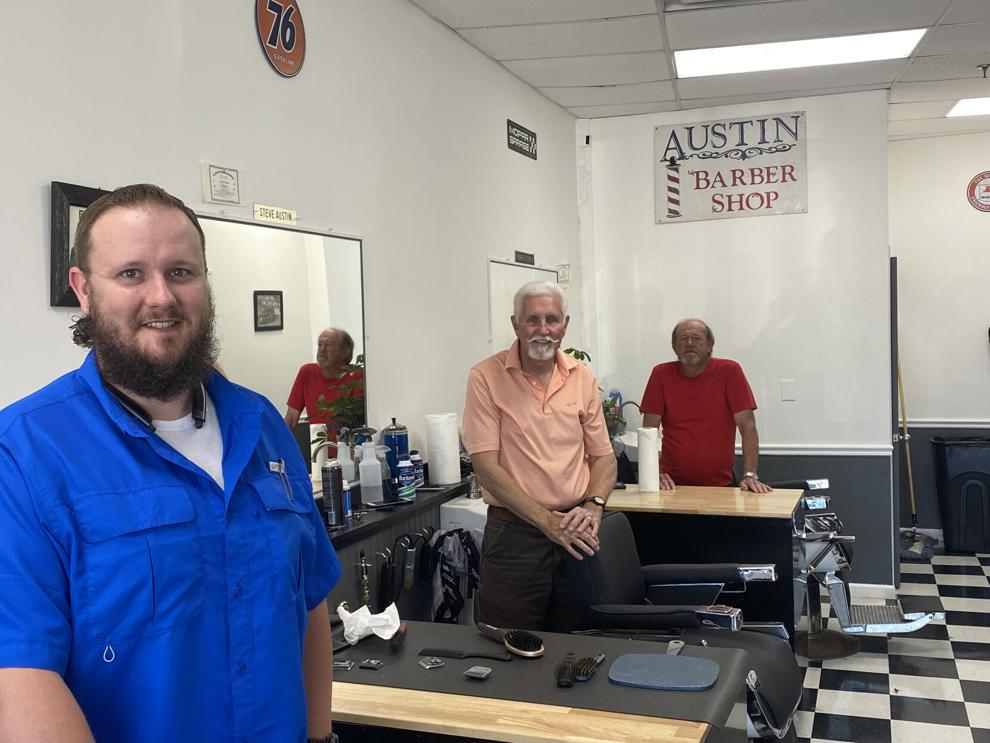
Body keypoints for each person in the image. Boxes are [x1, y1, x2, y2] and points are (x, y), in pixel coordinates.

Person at [0, 184, 342, 743]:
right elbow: (21, 674)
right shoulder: (24, 454)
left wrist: (320, 736)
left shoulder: (262, 429)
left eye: (181, 272)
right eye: (130, 274)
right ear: (83, 291)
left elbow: (308, 606)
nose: (161, 296)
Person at [462, 281, 617, 631]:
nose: (543, 330)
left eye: (552, 319)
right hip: (516, 536)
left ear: (565, 324)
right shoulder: (485, 377)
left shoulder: (582, 376)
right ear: (516, 324)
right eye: (533, 320)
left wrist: (593, 506)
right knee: (509, 645)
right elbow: (485, 467)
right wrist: (547, 522)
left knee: (582, 645)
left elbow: (604, 458)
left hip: (579, 530)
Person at [641, 318, 772, 494]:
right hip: (671, 486)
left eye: (696, 338)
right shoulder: (660, 374)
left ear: (709, 345)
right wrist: (654, 473)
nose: (689, 343)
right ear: (674, 346)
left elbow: (748, 427)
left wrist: (749, 474)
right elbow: (649, 430)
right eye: (683, 338)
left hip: (720, 486)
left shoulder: (729, 371)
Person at [284, 327, 363, 436]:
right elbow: (291, 419)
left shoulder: (357, 376)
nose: (322, 349)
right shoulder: (307, 372)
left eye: (328, 345)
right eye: (320, 345)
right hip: (318, 449)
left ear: (345, 352)